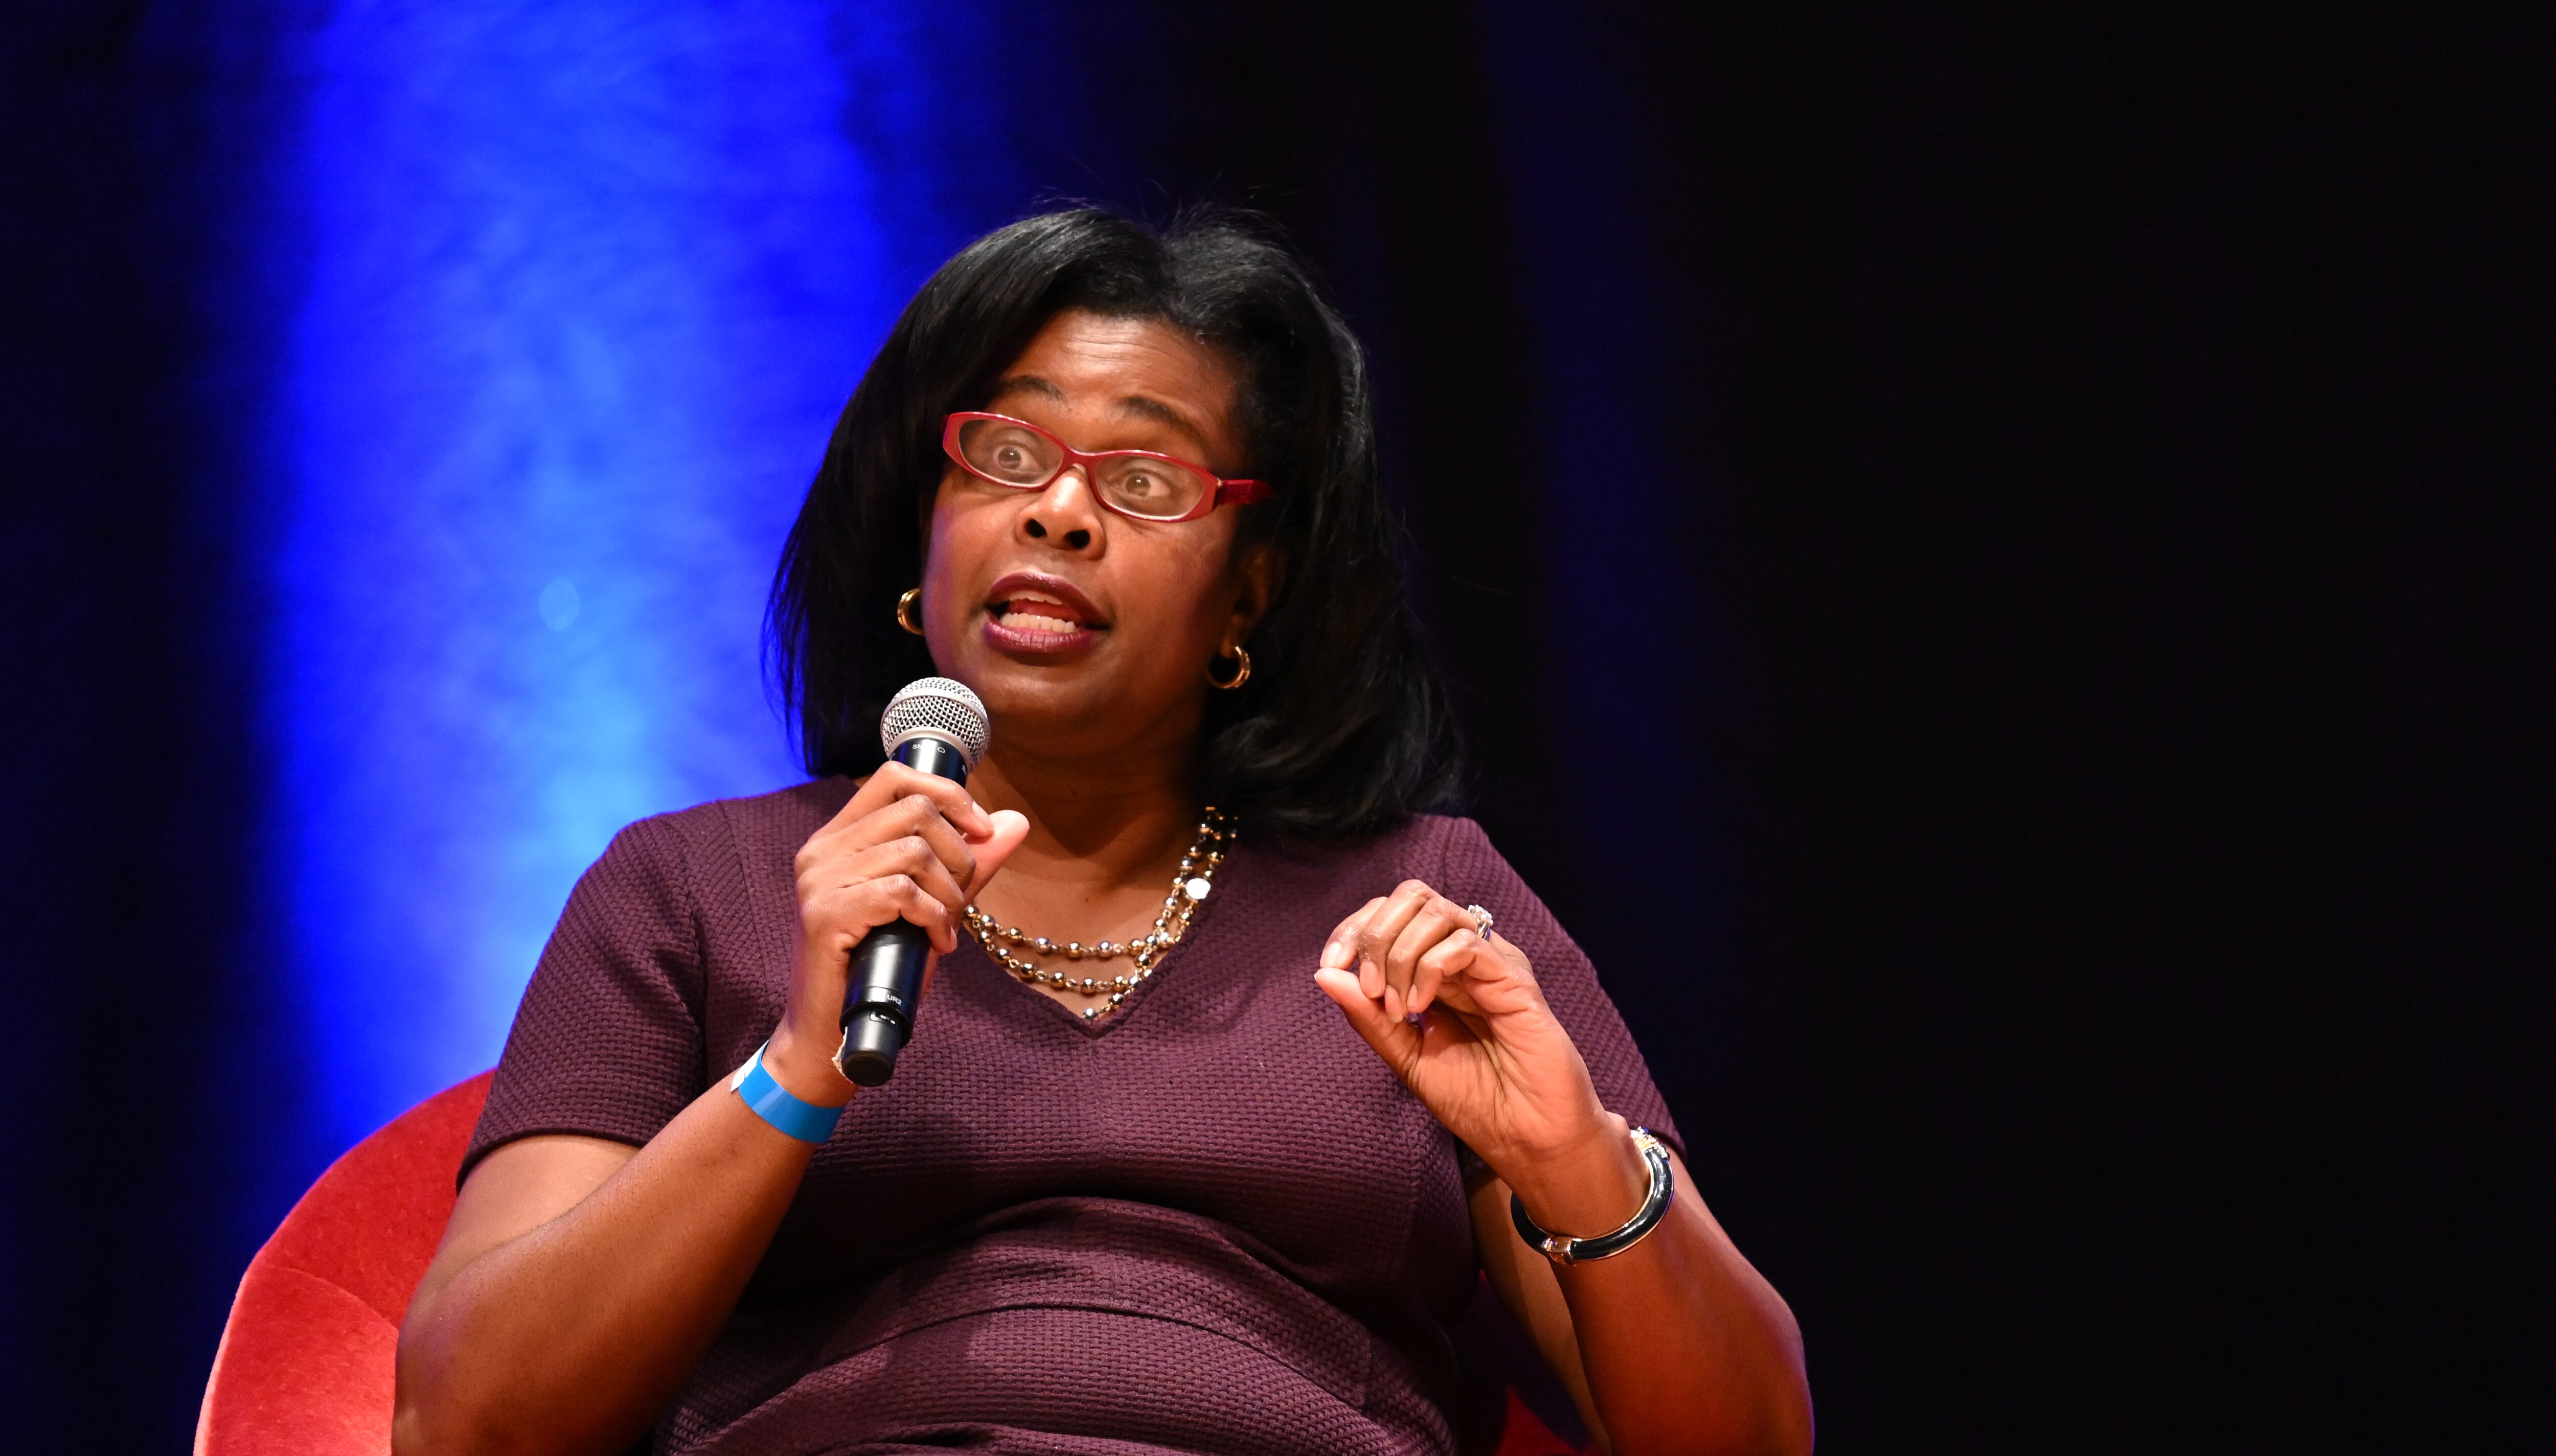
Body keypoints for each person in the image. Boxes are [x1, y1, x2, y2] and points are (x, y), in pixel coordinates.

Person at [393, 209, 1812, 1456]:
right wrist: (795, 1072)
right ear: (922, 538)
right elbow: (467, 1423)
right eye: (1007, 453)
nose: (1059, 512)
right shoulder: (693, 890)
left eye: (1144, 480)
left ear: (1248, 601)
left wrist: (1581, 1168)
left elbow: (1747, 1441)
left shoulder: (1421, 907)